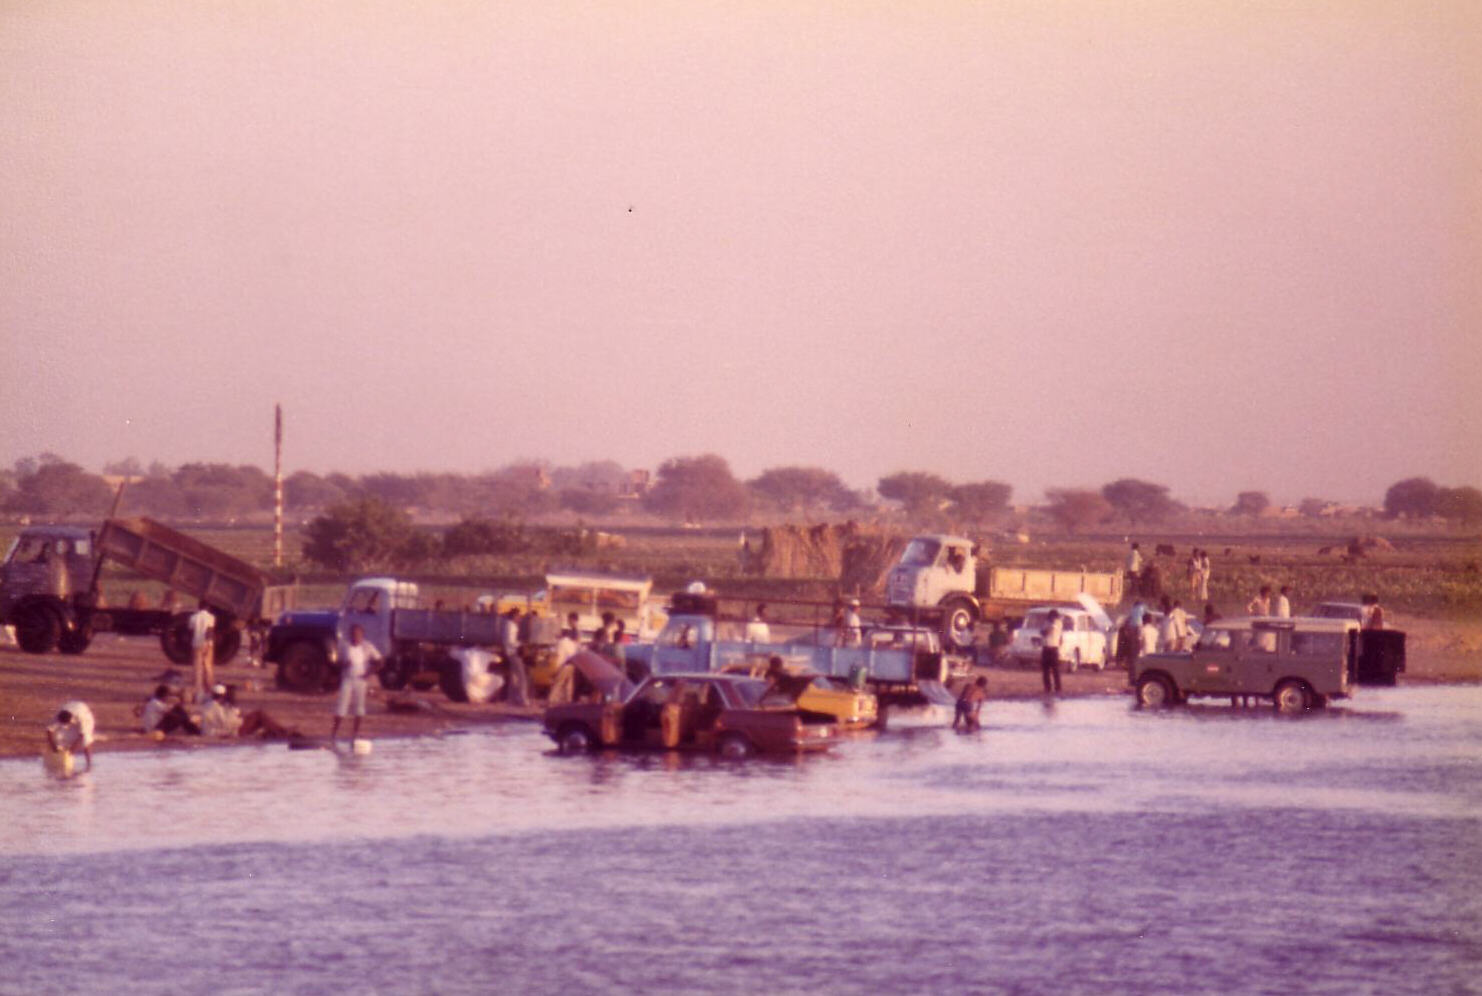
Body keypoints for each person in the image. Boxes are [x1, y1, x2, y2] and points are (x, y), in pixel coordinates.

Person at [330, 623, 381, 745]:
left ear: (362, 635)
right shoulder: (345, 646)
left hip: (361, 680)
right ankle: (333, 734)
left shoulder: (367, 646)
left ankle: (354, 734)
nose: (355, 637)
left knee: (359, 708)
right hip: (347, 679)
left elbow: (380, 661)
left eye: (358, 634)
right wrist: (344, 665)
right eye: (353, 634)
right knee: (341, 706)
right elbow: (337, 663)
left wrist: (369, 673)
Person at [46, 701, 95, 771]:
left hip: (83, 711)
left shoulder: (82, 718)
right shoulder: (57, 716)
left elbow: (82, 735)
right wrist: (53, 746)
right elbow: (49, 731)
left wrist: (73, 749)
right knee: (59, 737)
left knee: (86, 740)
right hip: (71, 708)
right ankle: (61, 759)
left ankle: (89, 763)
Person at [188, 600, 216, 699]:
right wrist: (208, 643)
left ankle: (198, 690)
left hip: (196, 643)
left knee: (197, 667)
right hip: (208, 644)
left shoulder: (193, 617)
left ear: (199, 607)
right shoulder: (211, 617)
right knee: (208, 666)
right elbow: (210, 631)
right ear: (208, 607)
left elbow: (191, 630)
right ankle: (209, 689)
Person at [500, 608, 528, 707]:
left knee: (514, 677)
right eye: (518, 616)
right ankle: (523, 699)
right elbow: (511, 641)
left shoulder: (508, 625)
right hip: (514, 653)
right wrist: (520, 645)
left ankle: (511, 699)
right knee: (522, 677)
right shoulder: (512, 626)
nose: (520, 618)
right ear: (514, 616)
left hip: (510, 652)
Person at [1040, 610, 1063, 695]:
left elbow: (1046, 632)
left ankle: (1058, 688)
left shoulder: (1057, 623)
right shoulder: (1047, 622)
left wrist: (1047, 628)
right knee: (1045, 670)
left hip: (1053, 648)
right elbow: (1042, 632)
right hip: (1046, 647)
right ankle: (1048, 687)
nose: (1052, 618)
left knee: (1055, 669)